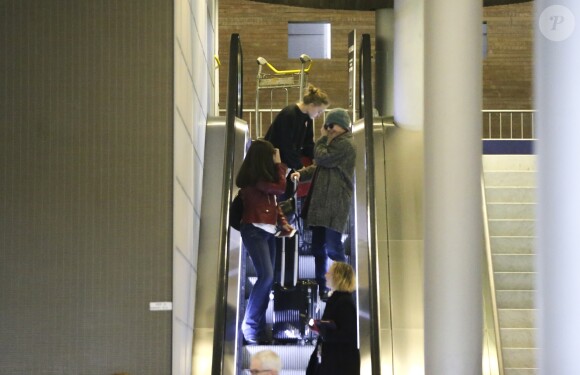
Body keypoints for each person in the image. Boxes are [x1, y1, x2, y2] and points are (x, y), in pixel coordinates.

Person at [291, 108, 356, 300]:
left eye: (331, 125)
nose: (328, 129)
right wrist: (301, 174)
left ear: (343, 126)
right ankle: (324, 285)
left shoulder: (346, 145)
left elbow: (321, 158)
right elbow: (319, 166)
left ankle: (343, 288)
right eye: (327, 126)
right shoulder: (334, 144)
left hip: (334, 205)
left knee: (333, 247)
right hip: (321, 205)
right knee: (318, 247)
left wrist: (320, 138)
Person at [236, 139, 288, 344]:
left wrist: (284, 224)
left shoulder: (264, 181)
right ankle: (249, 327)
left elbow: (276, 205)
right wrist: (279, 165)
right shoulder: (255, 179)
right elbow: (280, 189)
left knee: (269, 280)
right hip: (254, 230)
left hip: (268, 232)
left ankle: (256, 329)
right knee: (265, 277)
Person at [306, 262, 360, 375]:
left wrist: (321, 329)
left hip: (338, 365)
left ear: (338, 277)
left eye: (329, 272)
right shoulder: (339, 300)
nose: (325, 275)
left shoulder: (344, 302)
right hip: (335, 363)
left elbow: (347, 334)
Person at [264, 83, 329, 172]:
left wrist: (315, 158)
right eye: (319, 111)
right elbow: (285, 146)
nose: (319, 115)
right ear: (312, 105)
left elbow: (308, 143)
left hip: (287, 161)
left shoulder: (307, 118)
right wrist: (299, 167)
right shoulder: (289, 114)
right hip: (273, 160)